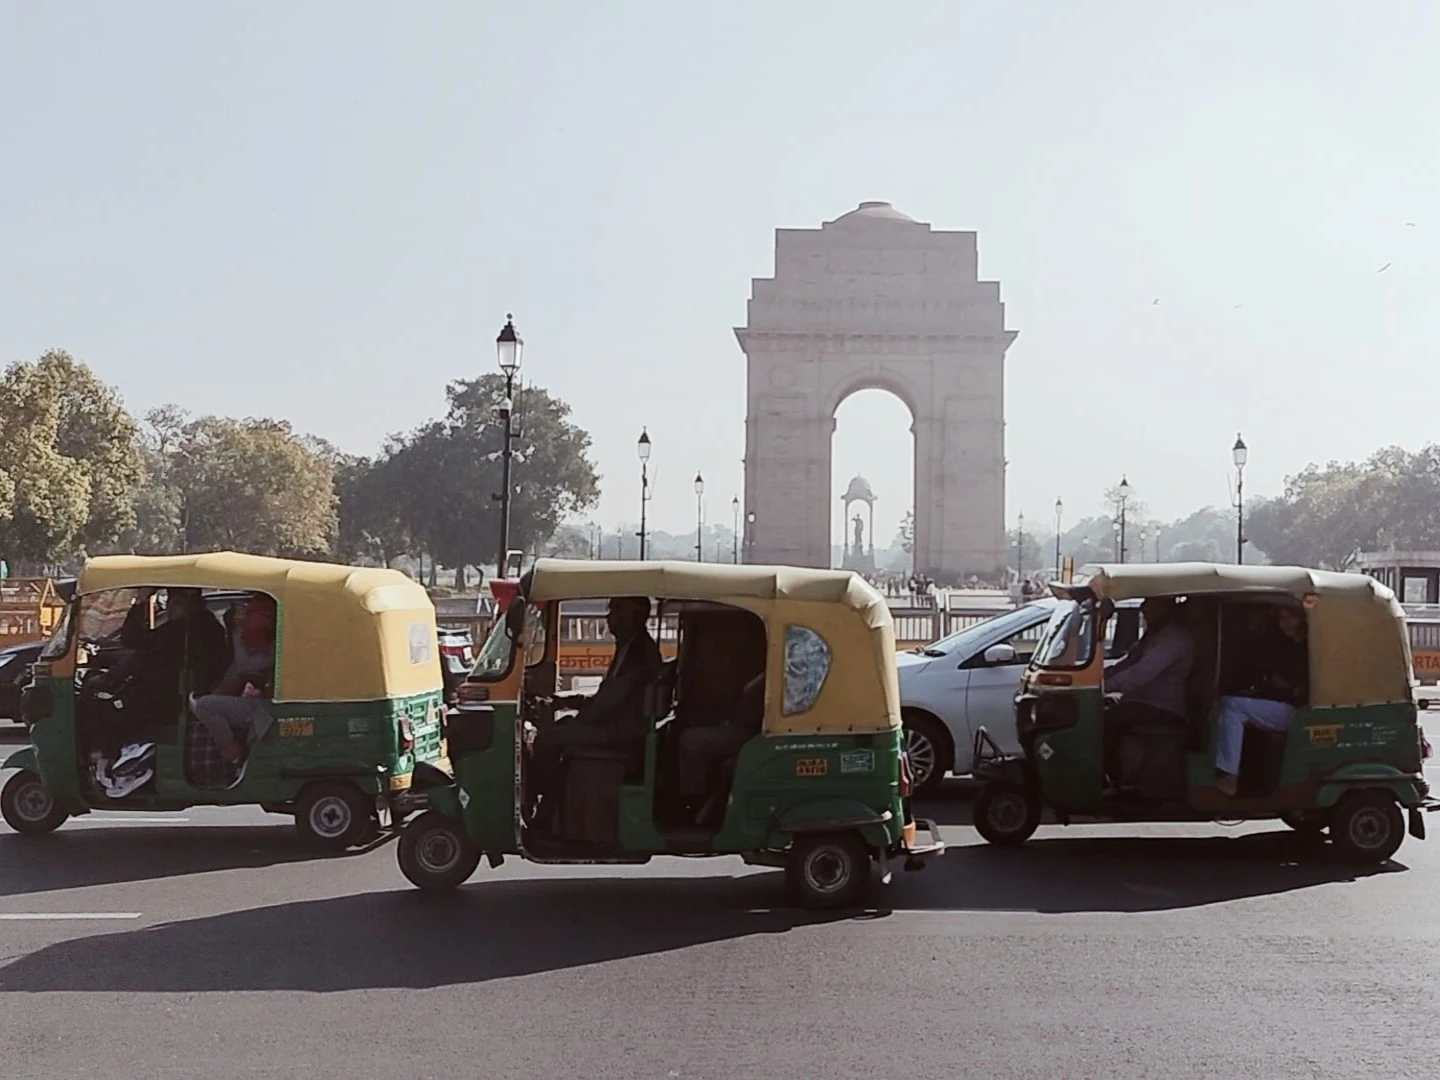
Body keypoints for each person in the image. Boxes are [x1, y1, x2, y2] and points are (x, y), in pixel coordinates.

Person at [528, 596, 661, 827]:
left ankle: (543, 807)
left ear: (636, 618)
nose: (609, 618)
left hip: (620, 733)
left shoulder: (637, 654)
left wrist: (578, 719)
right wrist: (571, 702)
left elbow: (607, 705)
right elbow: (608, 698)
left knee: (545, 740)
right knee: (561, 728)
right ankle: (555, 804)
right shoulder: (629, 648)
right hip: (618, 725)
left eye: (616, 612)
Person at [87, 587, 228, 757]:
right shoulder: (196, 625)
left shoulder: (187, 628)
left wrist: (140, 602)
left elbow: (132, 639)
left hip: (173, 700)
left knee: (104, 716)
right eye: (169, 602)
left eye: (176, 604)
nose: (170, 608)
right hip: (173, 694)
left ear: (193, 606)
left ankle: (110, 766)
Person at [1214, 605, 1307, 796]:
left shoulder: (1306, 648)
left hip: (1296, 712)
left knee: (1232, 706)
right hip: (1280, 703)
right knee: (1227, 702)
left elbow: (1289, 684)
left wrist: (1274, 682)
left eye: (1291, 618)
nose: (1286, 623)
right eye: (1282, 619)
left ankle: (1229, 774)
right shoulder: (1286, 646)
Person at [1103, 597, 1195, 785]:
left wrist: (1108, 685)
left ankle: (1103, 776)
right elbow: (1130, 662)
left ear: (1165, 606)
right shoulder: (1155, 634)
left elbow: (1141, 673)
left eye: (1150, 602)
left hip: (1163, 706)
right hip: (1143, 700)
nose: (1144, 607)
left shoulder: (1174, 638)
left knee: (1105, 721)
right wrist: (1100, 676)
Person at [190, 594, 278, 772]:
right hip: (256, 700)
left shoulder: (264, 644)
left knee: (207, 706)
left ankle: (234, 756)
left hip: (267, 708)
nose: (241, 615)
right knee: (207, 703)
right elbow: (235, 675)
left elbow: (247, 667)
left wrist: (237, 631)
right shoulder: (246, 641)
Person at [677, 672, 765, 824]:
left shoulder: (773, 673)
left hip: (748, 734)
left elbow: (748, 716)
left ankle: (694, 800)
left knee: (689, 740)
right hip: (738, 725)